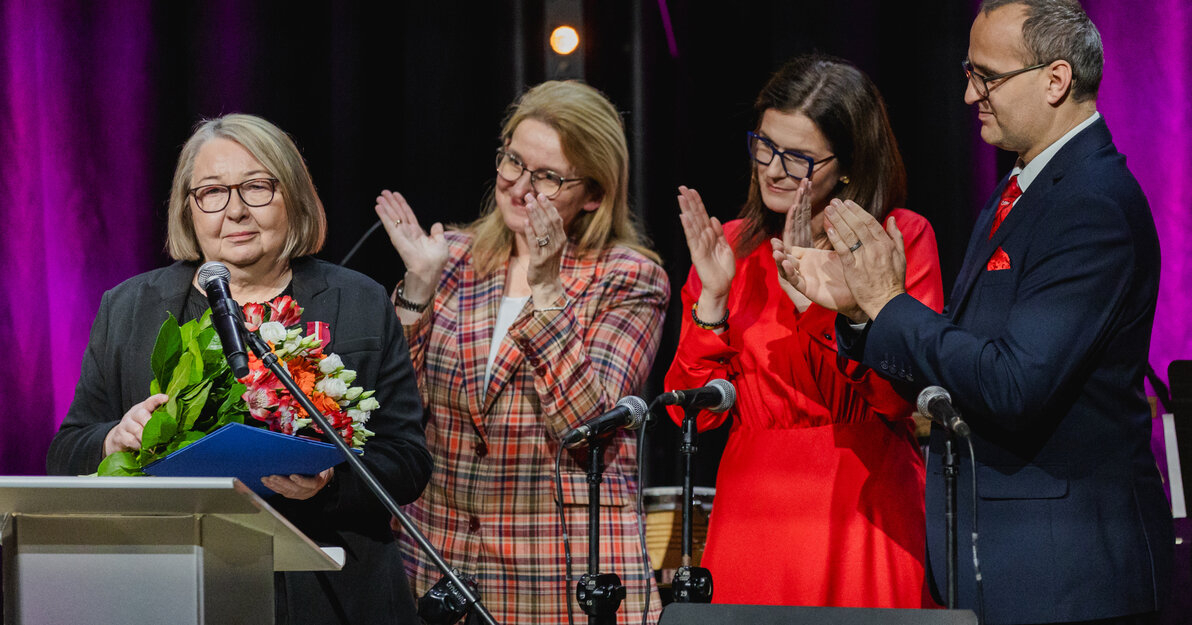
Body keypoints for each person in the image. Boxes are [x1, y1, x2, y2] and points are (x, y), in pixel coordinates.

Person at [776, 1, 1174, 623]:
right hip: (1007, 565)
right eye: (969, 72)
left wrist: (890, 303)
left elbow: (1013, 385)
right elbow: (957, 366)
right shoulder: (1021, 188)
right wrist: (861, 315)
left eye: (986, 76)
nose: (969, 95)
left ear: (1055, 79)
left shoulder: (1091, 204)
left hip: (1066, 577)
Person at [46, 113, 432, 625]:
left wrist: (331, 482)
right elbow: (67, 450)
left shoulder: (358, 302)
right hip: (175, 585)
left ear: (291, 195)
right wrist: (115, 439)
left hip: (331, 588)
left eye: (256, 187)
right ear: (190, 208)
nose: (235, 211)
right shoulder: (129, 307)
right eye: (212, 192)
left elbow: (406, 460)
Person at [374, 80, 667, 624]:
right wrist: (416, 286)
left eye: (549, 177)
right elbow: (389, 407)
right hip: (440, 565)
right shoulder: (452, 258)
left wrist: (549, 288)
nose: (519, 187)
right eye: (513, 161)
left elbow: (588, 424)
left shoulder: (629, 277)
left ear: (595, 195)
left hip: (561, 571)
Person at [664, 54, 944, 608]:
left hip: (863, 505)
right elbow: (690, 414)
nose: (772, 169)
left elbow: (897, 398)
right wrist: (714, 298)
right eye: (764, 146)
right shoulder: (734, 247)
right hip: (753, 512)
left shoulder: (897, 239)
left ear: (847, 165)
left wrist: (823, 309)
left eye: (798, 158)